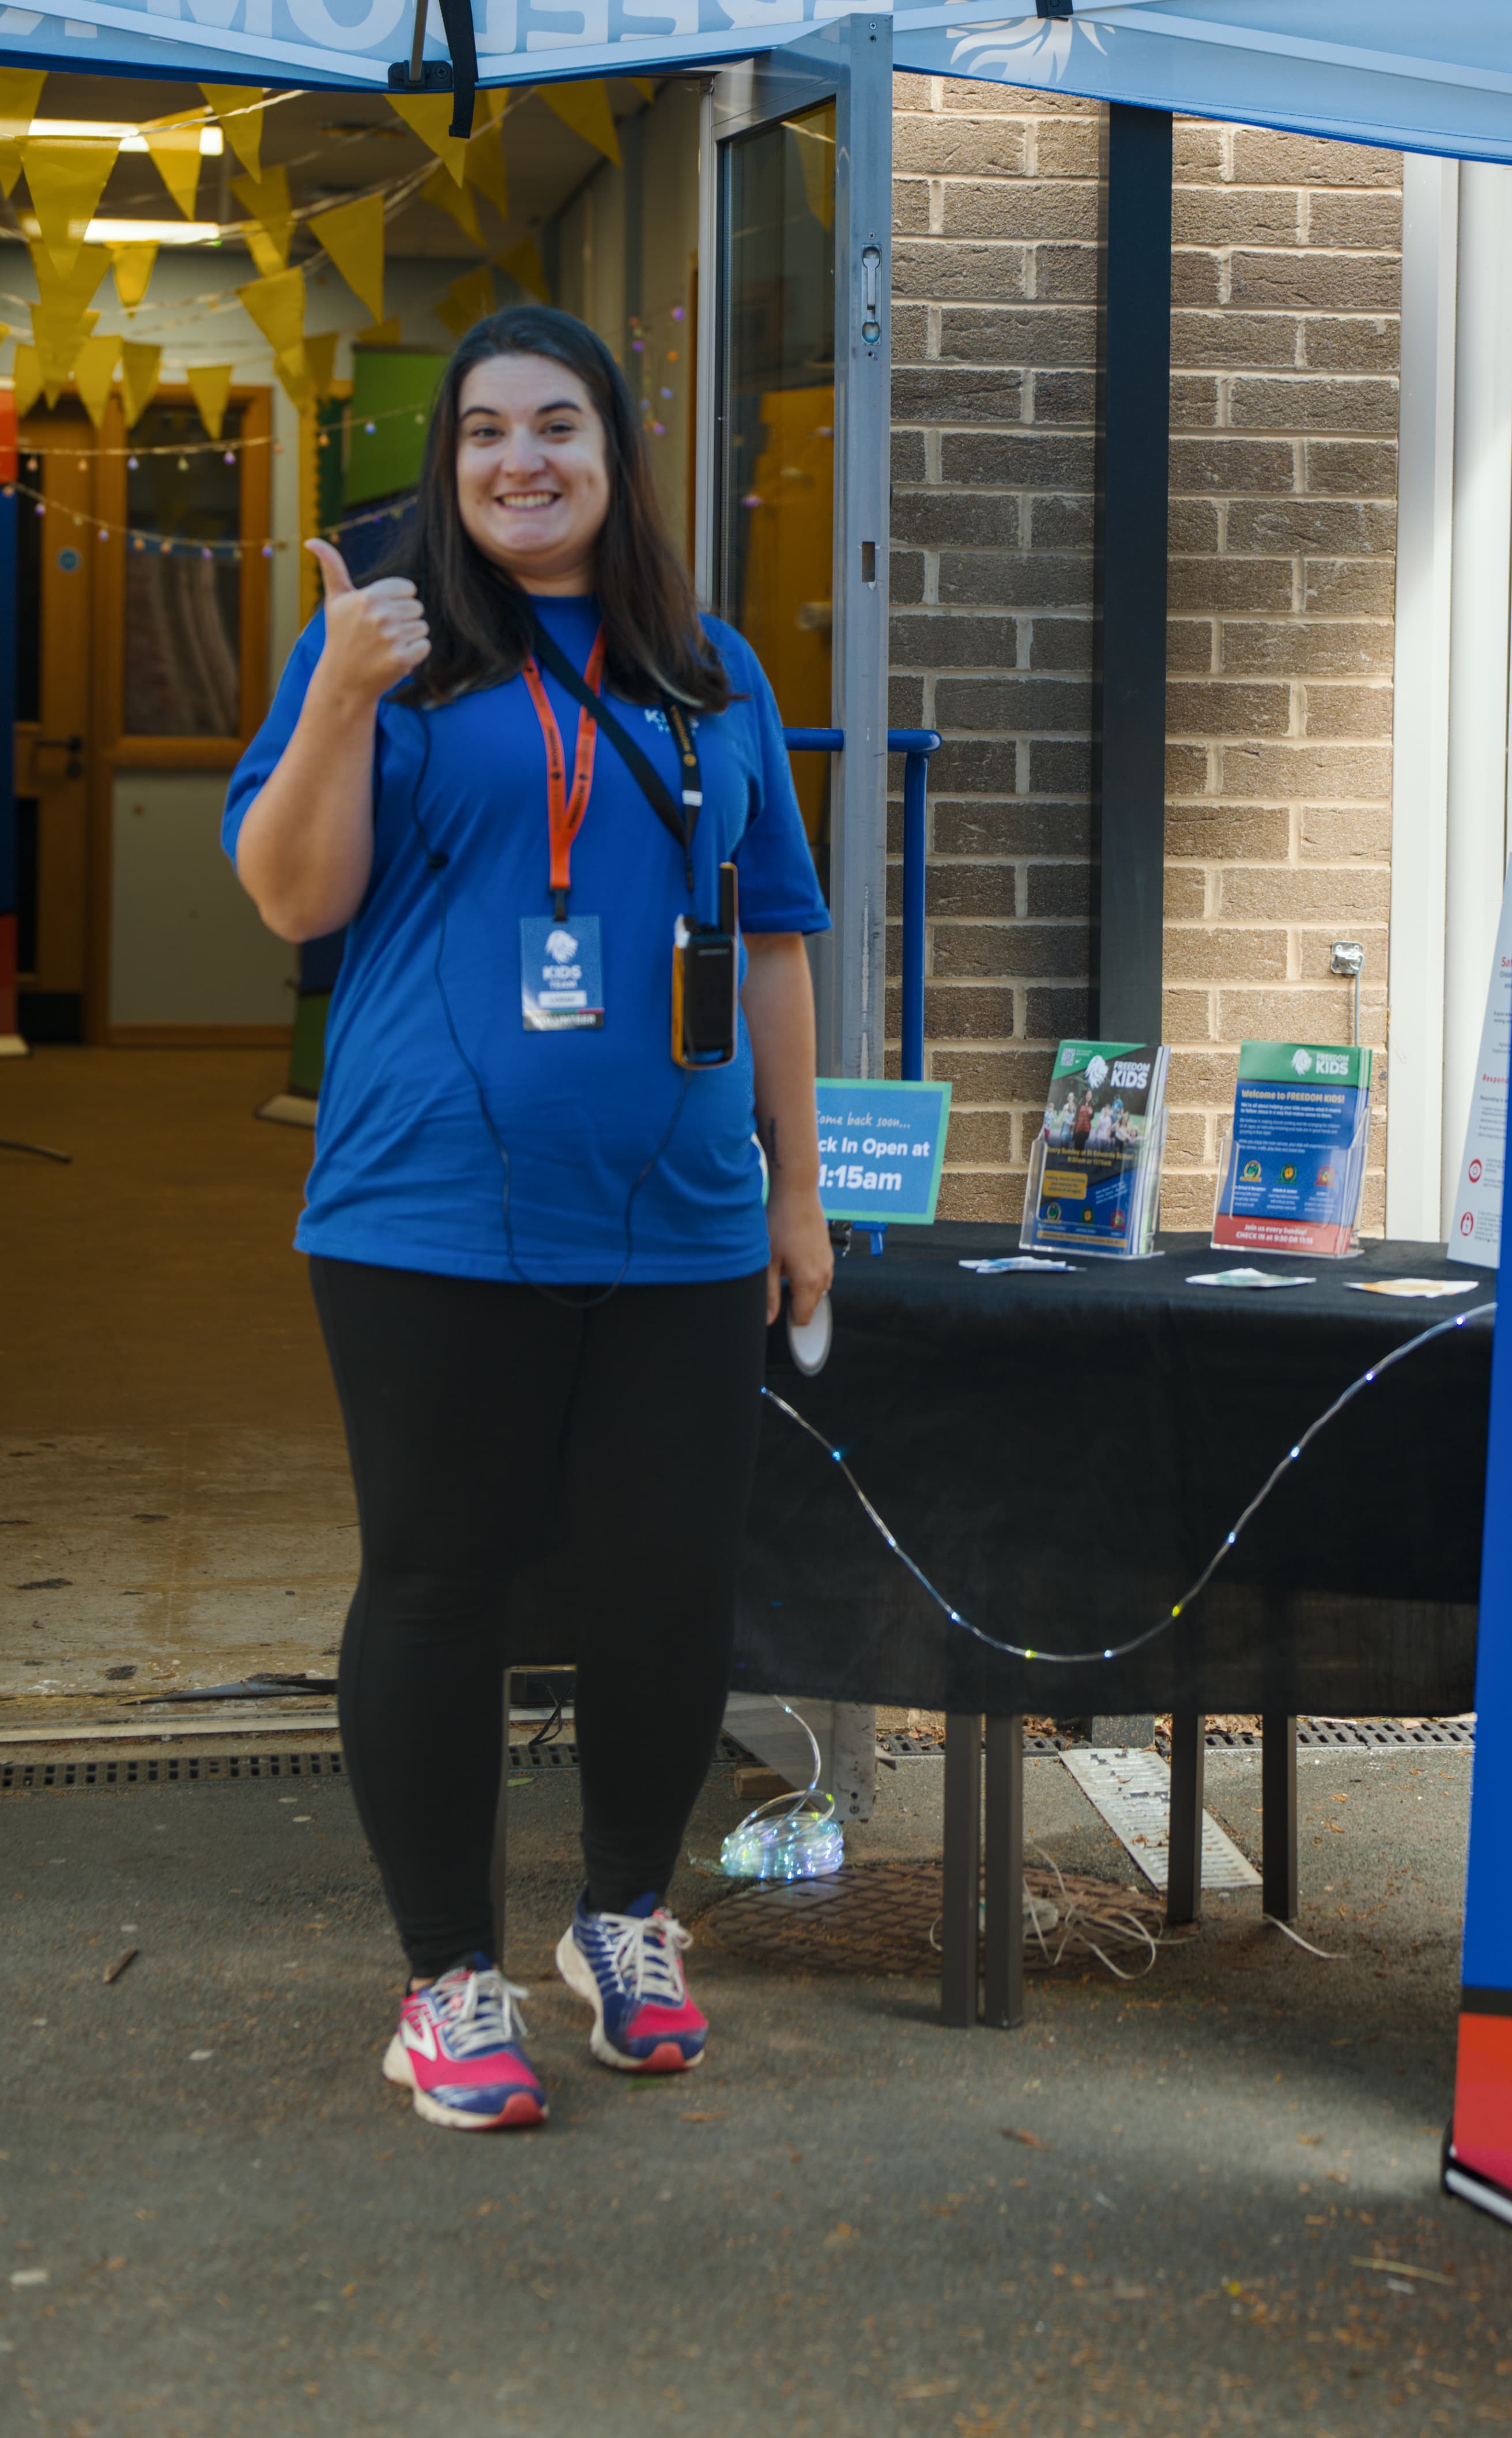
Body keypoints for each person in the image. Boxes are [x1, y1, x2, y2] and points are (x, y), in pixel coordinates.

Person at [226, 305, 832, 2132]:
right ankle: (446, 1978)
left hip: (686, 1222)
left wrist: (799, 1191)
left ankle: (626, 1919)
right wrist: (336, 692)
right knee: (441, 1581)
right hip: (426, 1213)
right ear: (450, 465)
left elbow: (780, 941)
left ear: (614, 448)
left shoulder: (711, 669)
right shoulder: (386, 657)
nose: (518, 461)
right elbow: (289, 897)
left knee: (666, 1586)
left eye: (555, 424)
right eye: (484, 432)